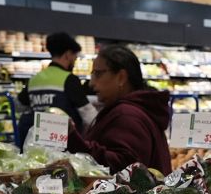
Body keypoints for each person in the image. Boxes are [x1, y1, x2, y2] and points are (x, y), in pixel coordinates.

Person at [67, 45, 171, 174]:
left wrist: (75, 141)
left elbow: (125, 169)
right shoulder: (132, 110)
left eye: (98, 74)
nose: (91, 83)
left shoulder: (127, 115)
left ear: (121, 77)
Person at [15, 32, 96, 147]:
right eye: (75, 56)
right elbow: (87, 113)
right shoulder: (69, 79)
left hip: (37, 145)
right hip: (64, 146)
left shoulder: (34, 79)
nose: (75, 60)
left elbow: (18, 105)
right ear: (68, 54)